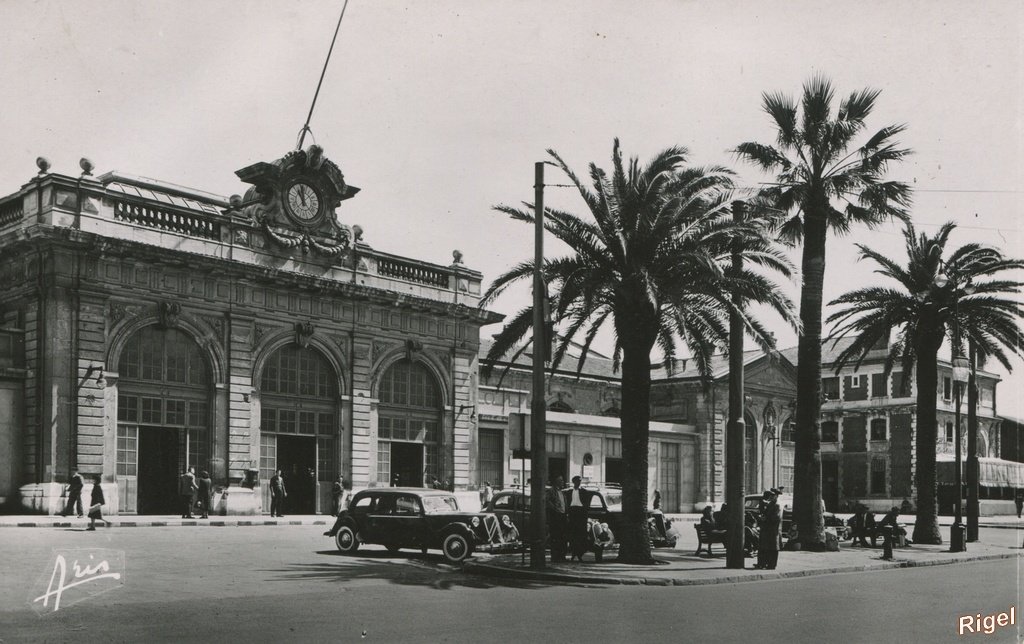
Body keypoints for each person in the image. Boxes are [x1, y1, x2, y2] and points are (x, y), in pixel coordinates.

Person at [565, 475, 593, 562]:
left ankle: (580, 553)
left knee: (581, 534)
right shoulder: (569, 492)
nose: (579, 483)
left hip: (581, 513)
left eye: (580, 481)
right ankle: (573, 553)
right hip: (572, 512)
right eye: (577, 481)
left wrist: (584, 509)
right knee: (573, 534)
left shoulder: (584, 492)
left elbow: (587, 503)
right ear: (574, 482)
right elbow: (567, 502)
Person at [755, 489, 782, 570]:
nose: (771, 497)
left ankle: (771, 565)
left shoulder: (777, 505)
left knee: (772, 548)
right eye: (771, 495)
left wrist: (765, 518)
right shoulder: (770, 504)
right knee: (765, 547)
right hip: (767, 529)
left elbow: (776, 518)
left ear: (776, 496)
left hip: (773, 529)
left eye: (773, 495)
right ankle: (763, 563)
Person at [545, 475, 568, 562]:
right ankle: (555, 556)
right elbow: (547, 501)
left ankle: (562, 556)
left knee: (562, 537)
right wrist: (555, 508)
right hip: (555, 516)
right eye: (561, 480)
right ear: (556, 482)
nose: (562, 482)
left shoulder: (562, 492)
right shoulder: (551, 491)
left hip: (562, 515)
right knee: (555, 537)